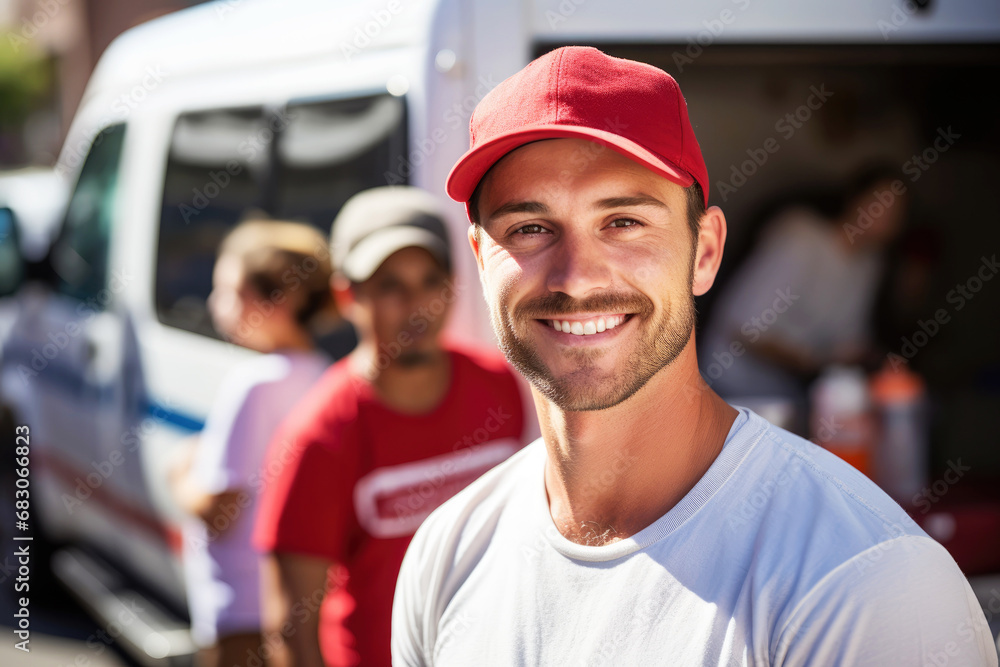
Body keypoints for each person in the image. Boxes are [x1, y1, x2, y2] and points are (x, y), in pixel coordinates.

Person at [391, 47, 996, 665]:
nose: (575, 279)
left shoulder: (864, 581)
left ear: (704, 253)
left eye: (623, 221)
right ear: (479, 258)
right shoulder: (447, 554)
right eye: (529, 229)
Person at [252, 186, 528, 667]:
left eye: (429, 281)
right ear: (347, 295)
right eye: (390, 286)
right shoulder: (320, 436)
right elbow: (291, 631)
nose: (416, 306)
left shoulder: (499, 385)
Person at [169, 220, 334, 667]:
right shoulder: (321, 372)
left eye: (226, 290)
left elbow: (219, 509)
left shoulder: (252, 383)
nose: (213, 303)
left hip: (239, 601)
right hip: (288, 596)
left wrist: (180, 476)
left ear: (276, 302)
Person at [699, 166, 908, 413]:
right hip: (732, 387)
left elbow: (848, 342)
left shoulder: (870, 264)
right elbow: (742, 326)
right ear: (854, 197)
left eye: (896, 212)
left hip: (793, 397)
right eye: (880, 203)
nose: (885, 218)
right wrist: (811, 363)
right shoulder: (800, 237)